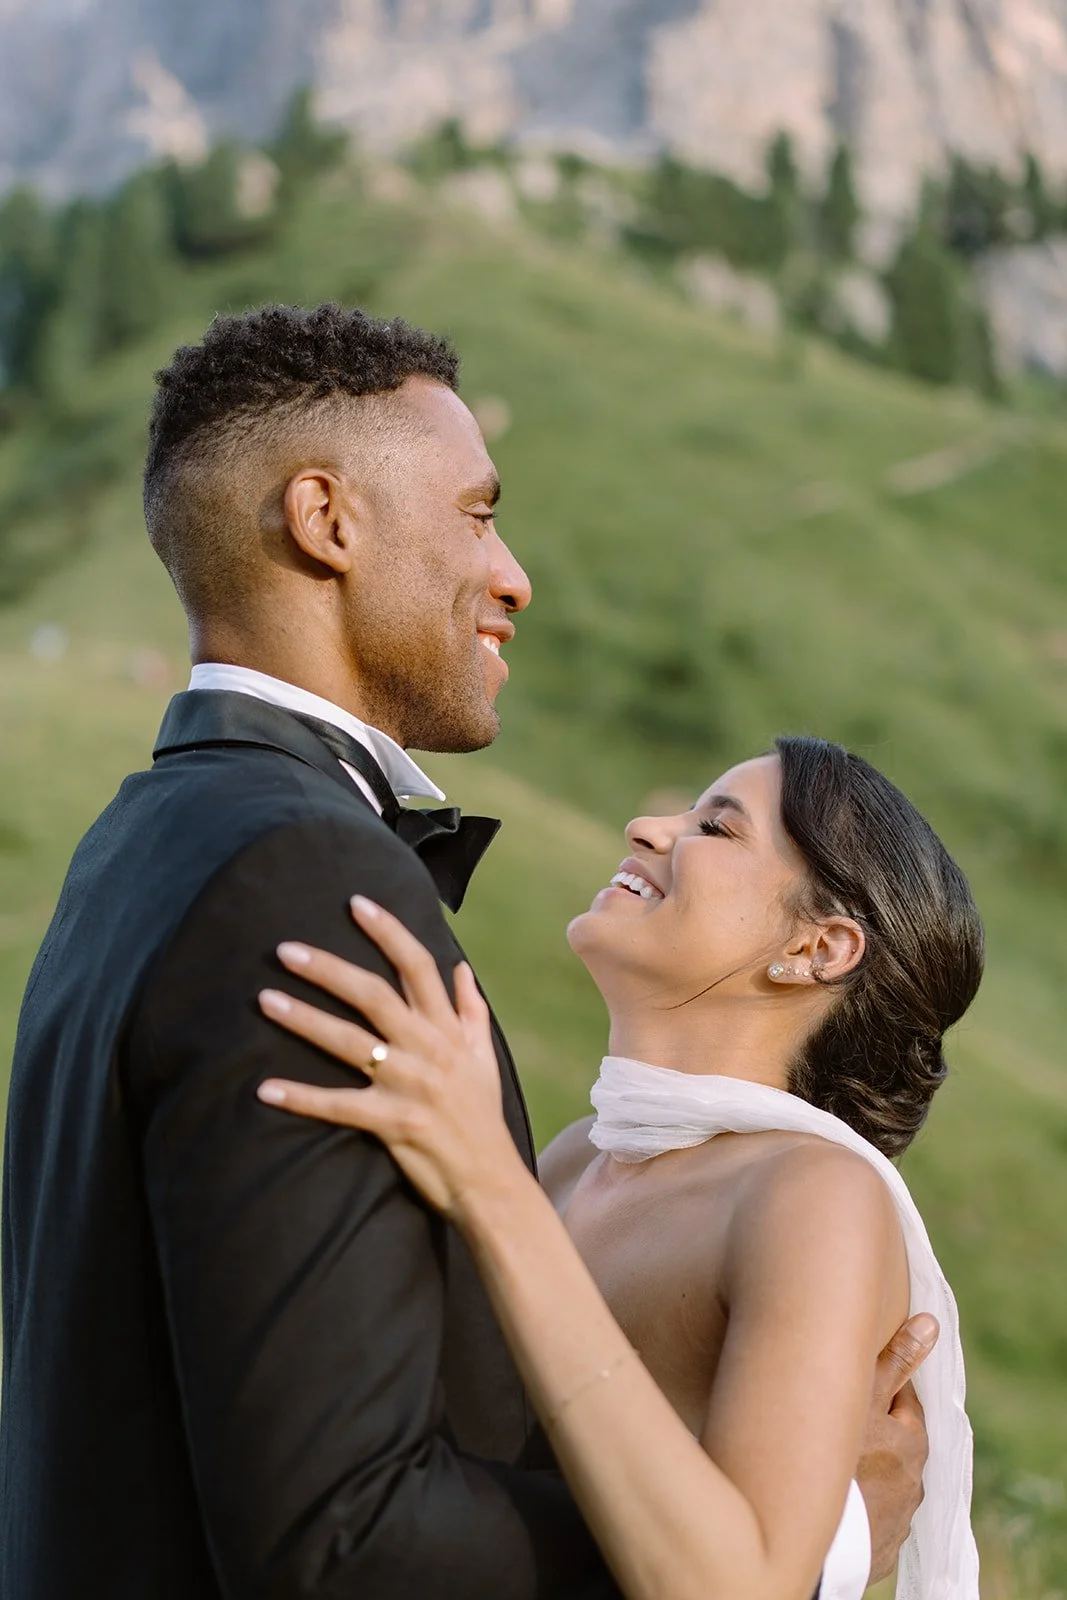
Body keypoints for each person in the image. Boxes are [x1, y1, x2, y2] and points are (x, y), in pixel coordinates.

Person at [2, 303, 929, 1598]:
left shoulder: (135, 842)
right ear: (327, 523)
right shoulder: (304, 873)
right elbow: (339, 1541)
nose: (513, 575)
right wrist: (810, 1552)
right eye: (478, 515)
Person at [252, 737, 984, 1600]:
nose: (646, 827)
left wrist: (485, 1180)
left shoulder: (814, 1196)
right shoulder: (572, 1158)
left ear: (819, 948)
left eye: (715, 827)